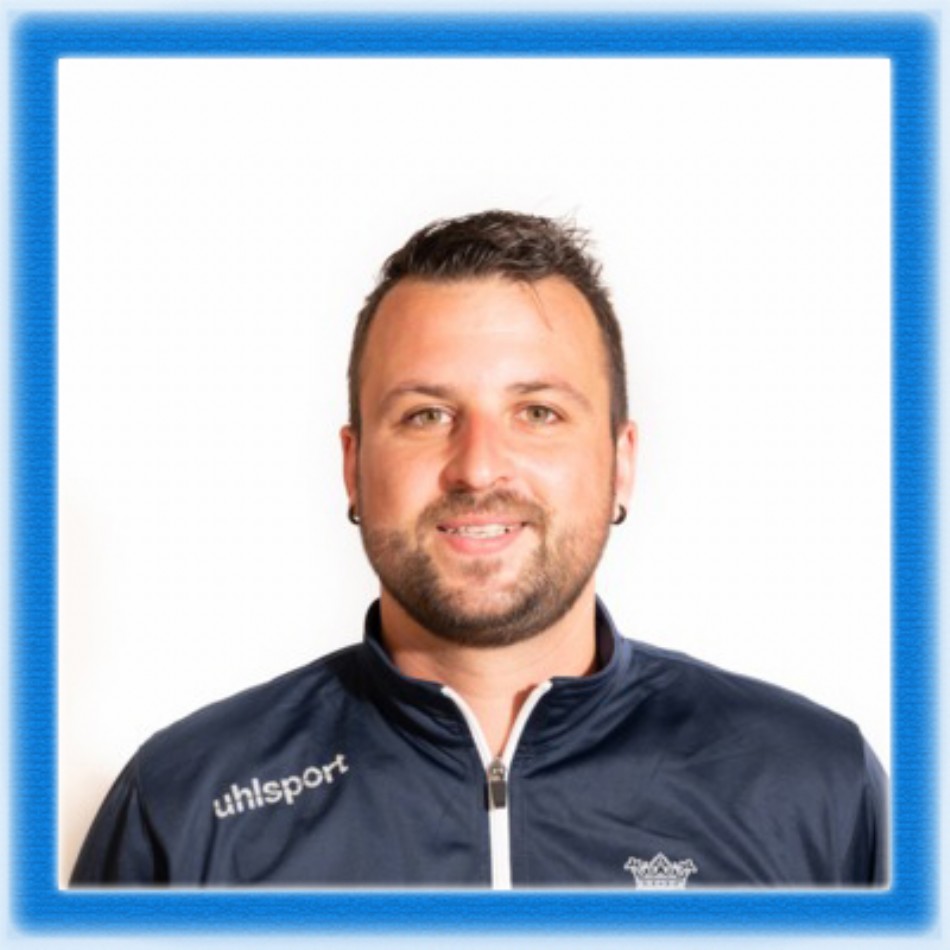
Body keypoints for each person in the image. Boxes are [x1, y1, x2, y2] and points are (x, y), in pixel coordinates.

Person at [71, 210, 886, 888]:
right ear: (354, 467)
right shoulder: (185, 804)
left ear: (621, 462)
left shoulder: (815, 786)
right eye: (426, 415)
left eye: (538, 412)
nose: (478, 467)